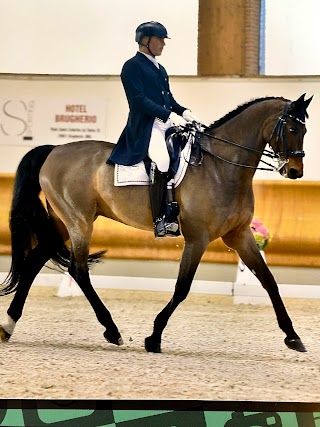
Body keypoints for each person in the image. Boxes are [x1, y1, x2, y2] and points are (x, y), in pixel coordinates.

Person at [108, 21, 201, 238]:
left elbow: (168, 100)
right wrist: (169, 115)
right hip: (146, 127)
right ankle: (161, 219)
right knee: (162, 161)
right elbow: (139, 101)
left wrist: (185, 112)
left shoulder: (160, 68)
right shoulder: (131, 66)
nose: (162, 44)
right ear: (144, 40)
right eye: (159, 40)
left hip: (165, 123)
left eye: (163, 40)